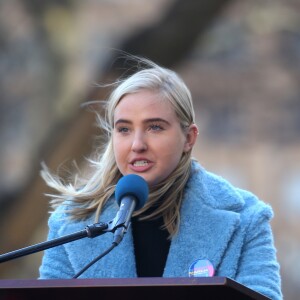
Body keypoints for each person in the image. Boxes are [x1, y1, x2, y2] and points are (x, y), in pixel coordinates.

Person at [39, 57, 282, 300]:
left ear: (189, 138)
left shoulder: (247, 219)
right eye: (124, 129)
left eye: (154, 127)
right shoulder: (70, 223)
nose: (137, 144)